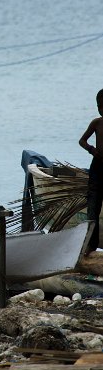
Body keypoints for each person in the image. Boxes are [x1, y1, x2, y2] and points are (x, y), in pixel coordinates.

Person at [79, 89, 103, 250]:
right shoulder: (97, 123)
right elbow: (82, 140)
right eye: (99, 106)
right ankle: (91, 246)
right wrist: (92, 149)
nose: (101, 109)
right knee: (92, 210)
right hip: (97, 169)